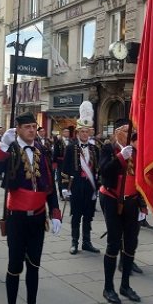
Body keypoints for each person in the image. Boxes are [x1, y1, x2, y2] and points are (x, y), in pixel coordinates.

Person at [0, 112, 62, 304]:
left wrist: (55, 212)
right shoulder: (10, 150)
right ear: (17, 129)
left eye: (33, 126)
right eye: (27, 127)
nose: (32, 130)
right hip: (17, 218)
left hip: (38, 217)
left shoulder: (43, 150)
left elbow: (49, 185)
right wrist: (2, 145)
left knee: (34, 265)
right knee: (14, 266)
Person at [98, 119, 142, 304]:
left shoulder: (137, 150)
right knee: (114, 242)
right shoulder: (108, 148)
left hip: (132, 200)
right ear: (117, 133)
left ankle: (125, 284)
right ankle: (108, 287)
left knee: (131, 243)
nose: (130, 134)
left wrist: (143, 203)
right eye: (126, 131)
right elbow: (103, 171)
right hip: (111, 198)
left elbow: (141, 178)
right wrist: (120, 158)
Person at [60, 103, 100, 255]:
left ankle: (87, 242)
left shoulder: (94, 148)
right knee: (76, 215)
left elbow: (97, 169)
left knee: (88, 216)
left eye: (87, 131)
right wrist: (64, 188)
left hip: (89, 187)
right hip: (76, 186)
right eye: (82, 131)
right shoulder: (71, 148)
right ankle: (74, 242)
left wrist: (97, 187)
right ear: (77, 132)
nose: (84, 134)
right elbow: (65, 169)